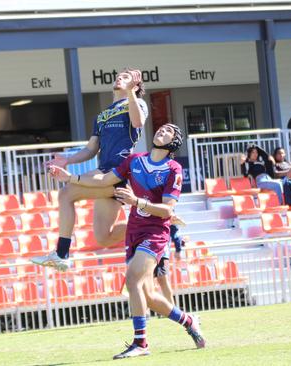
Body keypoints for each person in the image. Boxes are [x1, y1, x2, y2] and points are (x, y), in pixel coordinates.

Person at [49, 123, 205, 359]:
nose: (161, 131)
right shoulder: (135, 160)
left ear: (174, 143)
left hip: (155, 232)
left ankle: (141, 343)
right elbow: (104, 181)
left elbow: (167, 210)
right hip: (134, 230)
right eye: (161, 128)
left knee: (132, 280)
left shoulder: (173, 168)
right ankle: (189, 320)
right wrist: (71, 177)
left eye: (168, 132)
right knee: (149, 296)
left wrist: (136, 202)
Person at [31, 68, 148, 271]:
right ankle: (152, 223)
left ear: (135, 85)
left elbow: (138, 122)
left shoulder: (137, 103)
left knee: (66, 193)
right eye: (119, 76)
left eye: (126, 77)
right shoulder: (102, 116)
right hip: (104, 172)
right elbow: (90, 149)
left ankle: (61, 254)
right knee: (104, 237)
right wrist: (66, 160)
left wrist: (131, 93)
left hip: (118, 172)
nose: (120, 77)